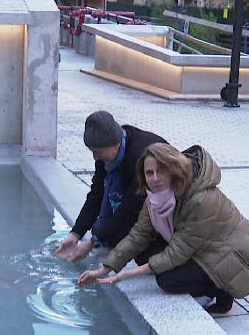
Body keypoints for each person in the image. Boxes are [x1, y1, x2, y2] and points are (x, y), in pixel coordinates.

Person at [77, 143, 249, 313]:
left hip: (236, 257)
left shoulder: (200, 199)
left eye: (160, 171)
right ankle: (208, 282)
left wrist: (127, 274)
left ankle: (221, 291)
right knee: (144, 255)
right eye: (149, 173)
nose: (154, 178)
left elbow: (179, 251)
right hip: (204, 246)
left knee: (168, 281)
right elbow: (139, 235)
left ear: (173, 170)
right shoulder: (155, 196)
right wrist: (105, 268)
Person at [56, 110, 167, 262]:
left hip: (163, 208)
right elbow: (97, 193)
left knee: (143, 257)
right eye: (92, 151)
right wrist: (76, 233)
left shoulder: (139, 157)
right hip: (137, 202)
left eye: (98, 152)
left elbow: (132, 208)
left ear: (116, 144)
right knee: (100, 230)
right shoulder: (107, 151)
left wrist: (93, 242)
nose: (95, 157)